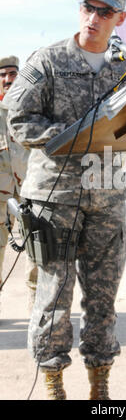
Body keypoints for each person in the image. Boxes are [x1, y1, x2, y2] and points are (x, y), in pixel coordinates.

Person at [6, 0, 126, 400]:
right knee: (53, 294)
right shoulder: (46, 60)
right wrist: (74, 134)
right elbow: (19, 120)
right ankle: (53, 386)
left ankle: (100, 388)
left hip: (108, 195)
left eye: (104, 11)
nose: (92, 18)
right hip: (54, 199)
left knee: (103, 297)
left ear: (118, 18)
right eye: (87, 6)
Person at [0, 57, 32, 309]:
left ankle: (39, 310)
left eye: (12, 73)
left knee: (37, 249)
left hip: (29, 191)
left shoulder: (29, 108)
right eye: (2, 75)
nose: (7, 79)